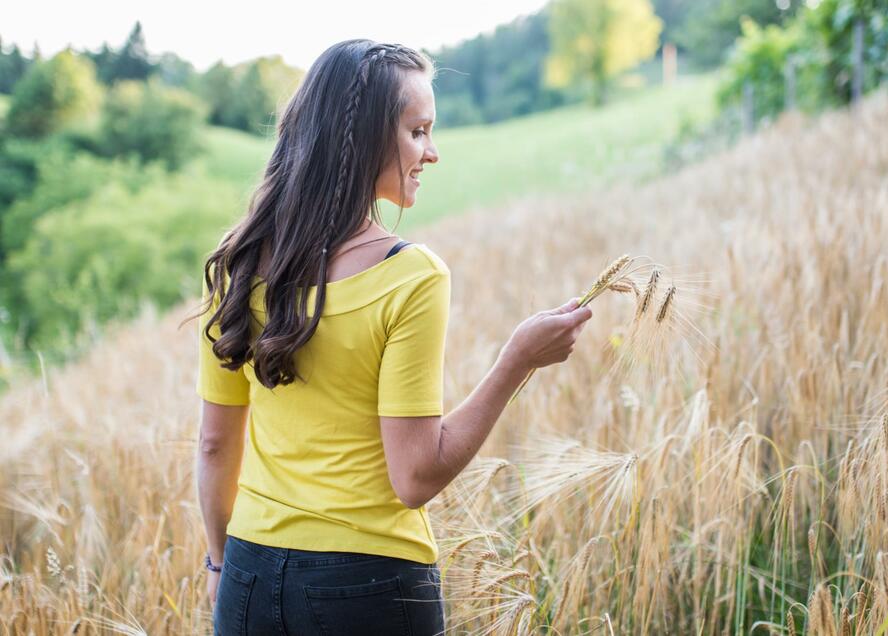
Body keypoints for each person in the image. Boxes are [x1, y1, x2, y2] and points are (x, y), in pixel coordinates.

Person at [190, 39, 593, 636]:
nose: (431, 152)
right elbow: (416, 477)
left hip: (248, 574)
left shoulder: (239, 263)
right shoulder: (412, 276)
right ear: (364, 140)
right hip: (367, 586)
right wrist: (519, 361)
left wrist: (222, 561)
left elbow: (214, 446)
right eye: (418, 131)